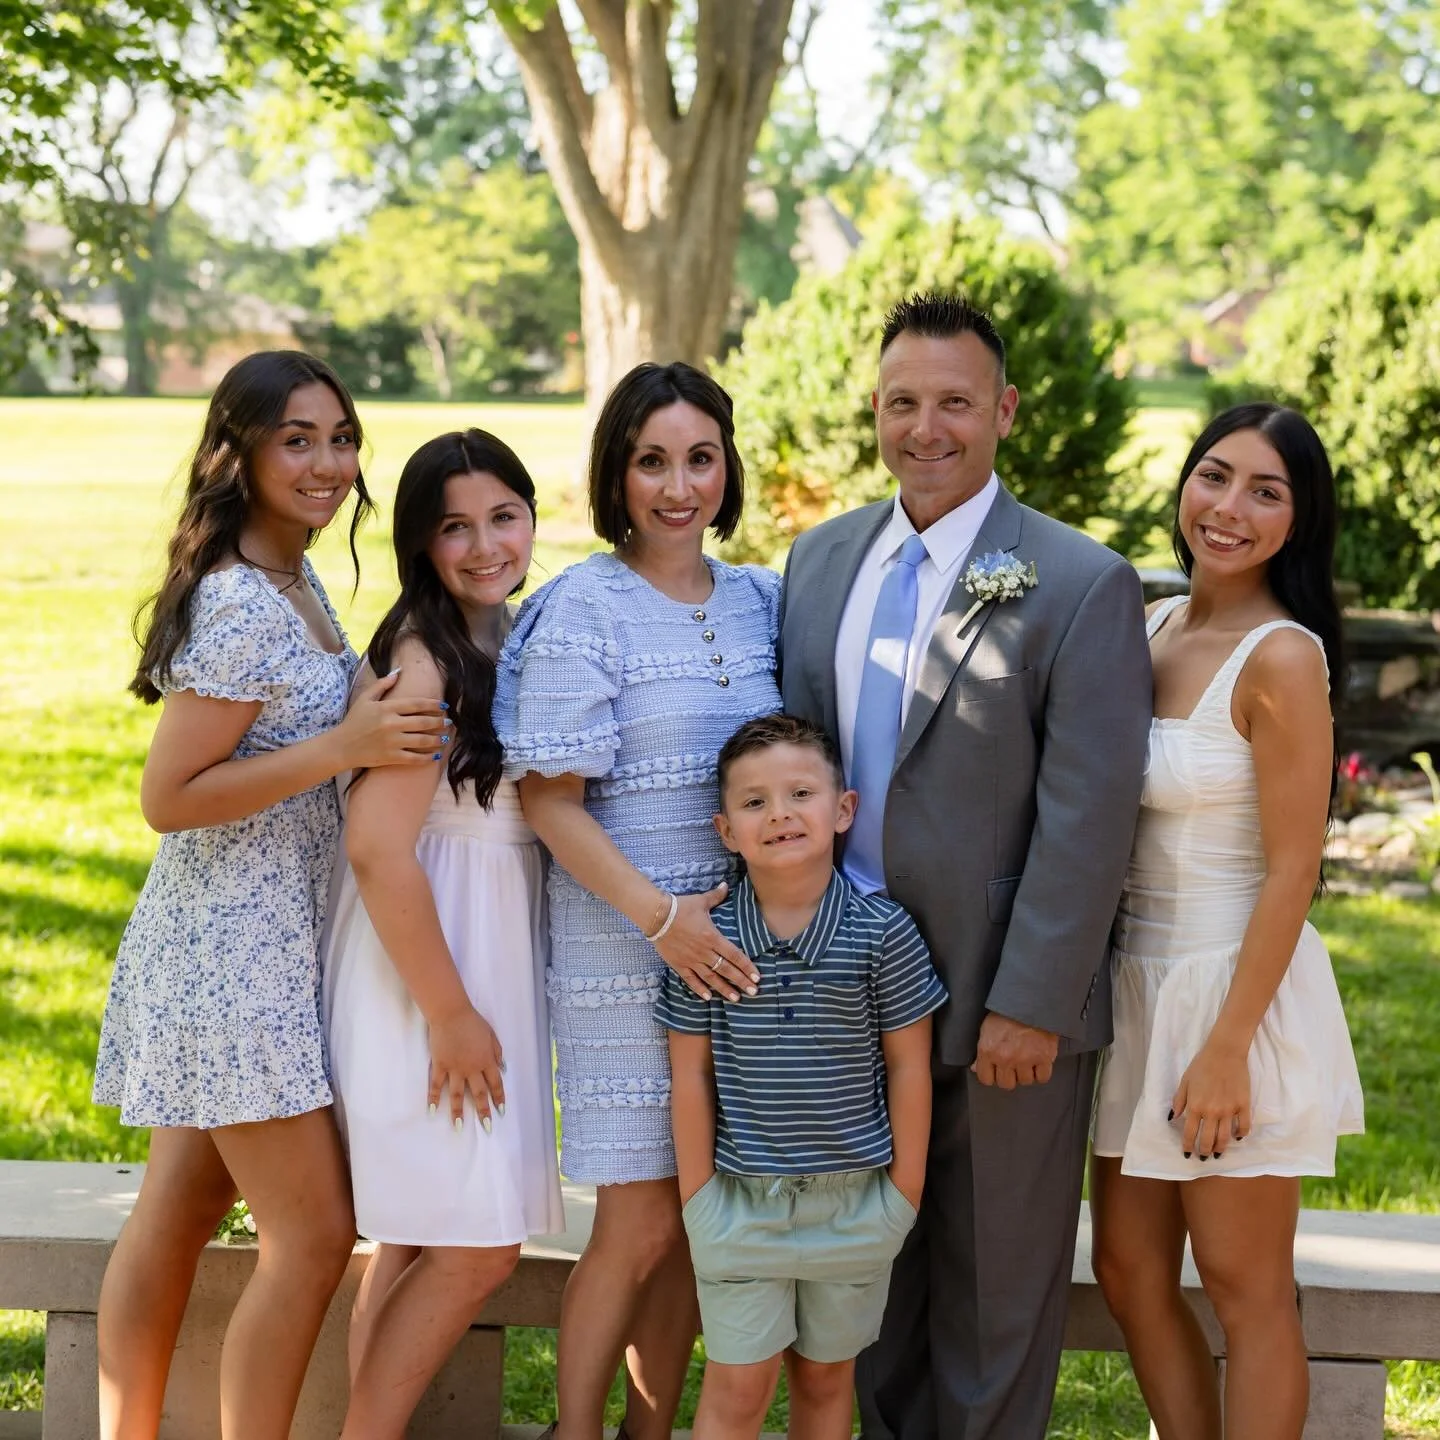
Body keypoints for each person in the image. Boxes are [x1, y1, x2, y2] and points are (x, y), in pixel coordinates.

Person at [778, 292, 1152, 1439]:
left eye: (953, 402)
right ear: (876, 411)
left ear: (1005, 410)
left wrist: (1032, 1003)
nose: (925, 428)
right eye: (902, 402)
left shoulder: (1079, 580)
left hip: (1005, 1005)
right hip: (844, 1002)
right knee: (863, 1298)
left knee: (995, 1302)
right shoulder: (821, 558)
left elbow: (1089, 819)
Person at [91, 350, 450, 1440]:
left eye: (341, 438)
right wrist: (342, 743)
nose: (329, 462)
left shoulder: (299, 582)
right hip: (229, 948)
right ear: (237, 453)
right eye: (297, 439)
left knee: (182, 1210)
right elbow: (169, 795)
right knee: (312, 1235)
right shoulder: (244, 604)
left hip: (265, 942)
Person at [495, 361, 783, 1440]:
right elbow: (549, 801)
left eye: (700, 458)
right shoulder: (582, 608)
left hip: (738, 960)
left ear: (727, 468)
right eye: (652, 461)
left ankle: (648, 1432)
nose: (678, 486)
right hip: (627, 954)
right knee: (638, 1217)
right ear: (617, 472)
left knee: (698, 1218)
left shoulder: (763, 599)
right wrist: (662, 919)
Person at [1089, 403, 1364, 1440]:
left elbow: (1297, 867)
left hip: (1231, 991)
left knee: (1246, 1289)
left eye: (1266, 491)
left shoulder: (1283, 657)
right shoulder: (1158, 626)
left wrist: (1228, 1049)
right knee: (1126, 1268)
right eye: (1214, 476)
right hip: (1137, 992)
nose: (1229, 508)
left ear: (1302, 519)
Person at [320, 429, 565, 1439]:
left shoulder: (503, 632)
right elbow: (380, 849)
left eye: (504, 516)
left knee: (422, 1237)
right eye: (454, 526)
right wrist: (453, 1014)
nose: (484, 544)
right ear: (420, 541)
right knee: (474, 1247)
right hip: (427, 973)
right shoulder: (425, 662)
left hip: (476, 952)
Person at [657, 713, 947, 1440]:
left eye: (800, 794)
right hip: (738, 1208)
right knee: (738, 1388)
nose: (779, 814)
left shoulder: (883, 934)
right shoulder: (706, 941)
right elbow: (689, 1077)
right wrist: (699, 1201)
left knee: (824, 1382)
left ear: (843, 808)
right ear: (726, 830)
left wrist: (901, 1195)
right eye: (754, 802)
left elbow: (910, 1064)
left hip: (857, 1208)